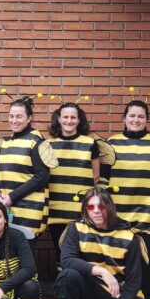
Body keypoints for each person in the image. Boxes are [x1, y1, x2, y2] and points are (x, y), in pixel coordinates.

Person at [99, 100, 150, 299]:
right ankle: (119, 298)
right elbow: (103, 179)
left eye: (141, 116)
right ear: (124, 118)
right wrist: (102, 207)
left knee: (147, 259)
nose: (136, 120)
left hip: (148, 211)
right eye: (132, 116)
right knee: (117, 256)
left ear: (147, 119)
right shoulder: (111, 143)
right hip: (118, 212)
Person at [55, 188, 147, 299]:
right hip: (89, 290)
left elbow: (134, 283)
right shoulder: (76, 228)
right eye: (91, 207)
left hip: (117, 295)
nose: (96, 211)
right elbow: (66, 260)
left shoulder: (130, 237)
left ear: (110, 207)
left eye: (101, 206)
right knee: (68, 275)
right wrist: (101, 271)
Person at [0, 96, 50, 245]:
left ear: (29, 118)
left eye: (19, 116)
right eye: (11, 116)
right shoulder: (5, 142)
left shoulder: (37, 142)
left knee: (26, 254)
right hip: (7, 209)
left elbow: (42, 177)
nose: (14, 120)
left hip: (29, 211)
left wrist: (12, 196)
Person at [45, 102, 100, 254]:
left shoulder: (90, 143)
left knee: (81, 252)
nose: (69, 121)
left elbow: (96, 177)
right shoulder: (47, 144)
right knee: (60, 252)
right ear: (58, 118)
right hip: (56, 208)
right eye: (65, 117)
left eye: (73, 117)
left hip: (81, 210)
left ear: (79, 120)